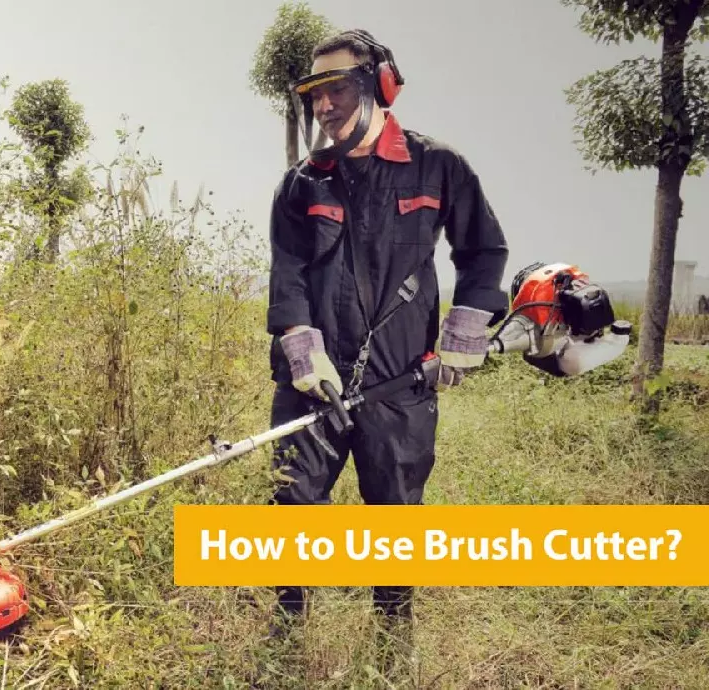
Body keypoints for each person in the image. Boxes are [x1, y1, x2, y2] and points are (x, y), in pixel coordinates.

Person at [265, 28, 510, 649]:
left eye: (337, 89)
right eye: (313, 95)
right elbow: (288, 273)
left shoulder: (438, 167)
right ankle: (287, 632)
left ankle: (392, 641)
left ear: (381, 85)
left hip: (400, 383)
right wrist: (300, 347)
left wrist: (465, 330)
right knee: (291, 503)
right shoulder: (301, 185)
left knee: (396, 515)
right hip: (313, 381)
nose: (324, 107)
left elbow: (483, 252)